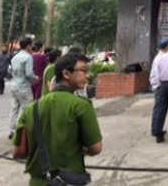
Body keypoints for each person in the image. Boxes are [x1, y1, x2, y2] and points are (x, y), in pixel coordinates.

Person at [11, 53, 103, 185]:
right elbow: (96, 148)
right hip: (69, 181)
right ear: (66, 74)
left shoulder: (32, 108)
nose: (87, 75)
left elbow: (17, 152)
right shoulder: (81, 106)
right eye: (83, 70)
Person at [9, 37, 37, 139]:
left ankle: (12, 130)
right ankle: (21, 131)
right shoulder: (28, 57)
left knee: (14, 109)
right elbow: (29, 73)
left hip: (14, 85)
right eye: (32, 44)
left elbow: (11, 72)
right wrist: (35, 78)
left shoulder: (14, 57)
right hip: (24, 87)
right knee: (27, 108)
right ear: (28, 45)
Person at [150, 40, 168, 138]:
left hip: (157, 85)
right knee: (159, 108)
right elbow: (157, 74)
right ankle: (156, 130)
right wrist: (159, 85)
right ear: (166, 47)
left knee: (158, 108)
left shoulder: (159, 57)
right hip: (159, 86)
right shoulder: (160, 58)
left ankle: (155, 128)